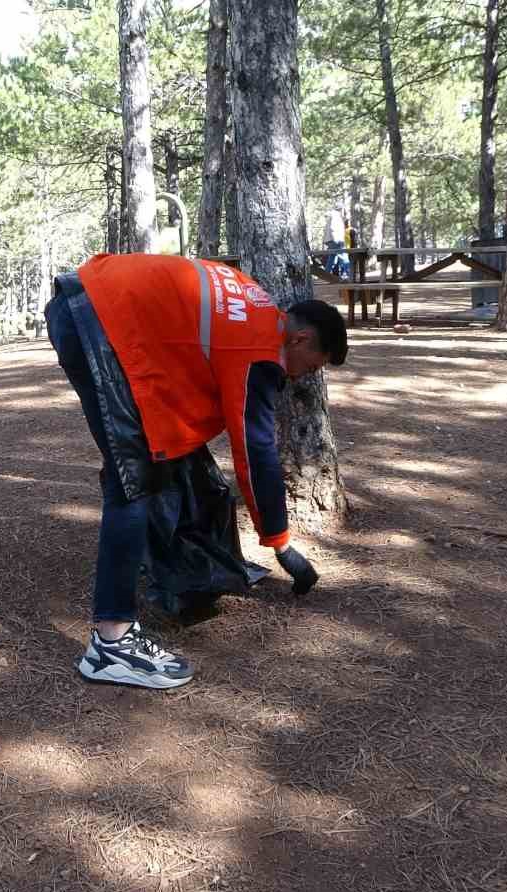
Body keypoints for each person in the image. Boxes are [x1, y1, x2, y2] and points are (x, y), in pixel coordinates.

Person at [48, 254, 347, 689]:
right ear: (300, 340)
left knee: (160, 452)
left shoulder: (258, 304)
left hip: (92, 302)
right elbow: (256, 452)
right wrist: (280, 544)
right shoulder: (259, 354)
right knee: (131, 480)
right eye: (313, 367)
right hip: (94, 322)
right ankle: (110, 644)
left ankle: (181, 565)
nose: (302, 378)